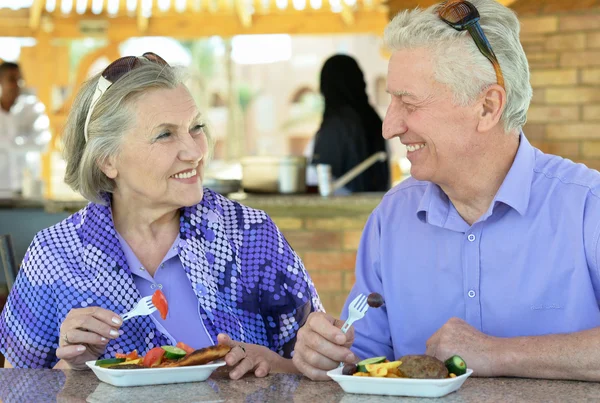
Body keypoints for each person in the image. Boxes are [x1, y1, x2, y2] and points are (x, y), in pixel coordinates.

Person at [293, 0, 600, 382]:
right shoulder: (391, 218)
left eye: (409, 102)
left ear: (487, 107)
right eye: (391, 101)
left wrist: (498, 354)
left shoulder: (589, 207)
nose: (389, 127)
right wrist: (325, 356)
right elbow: (362, 361)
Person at [0, 53, 323, 378]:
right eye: (165, 134)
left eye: (195, 127)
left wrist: (273, 364)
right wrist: (72, 366)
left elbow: (322, 369)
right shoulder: (55, 254)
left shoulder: (249, 234)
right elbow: (15, 388)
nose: (195, 152)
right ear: (107, 160)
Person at [307, 54, 390, 194]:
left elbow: (317, 179)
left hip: (343, 210)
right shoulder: (373, 119)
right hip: (377, 205)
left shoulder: (336, 124)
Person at [0, 62, 50, 195]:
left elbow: (42, 142)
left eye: (20, 79)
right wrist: (22, 141)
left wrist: (7, 143)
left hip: (27, 188)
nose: (18, 84)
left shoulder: (33, 108)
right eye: (11, 79)